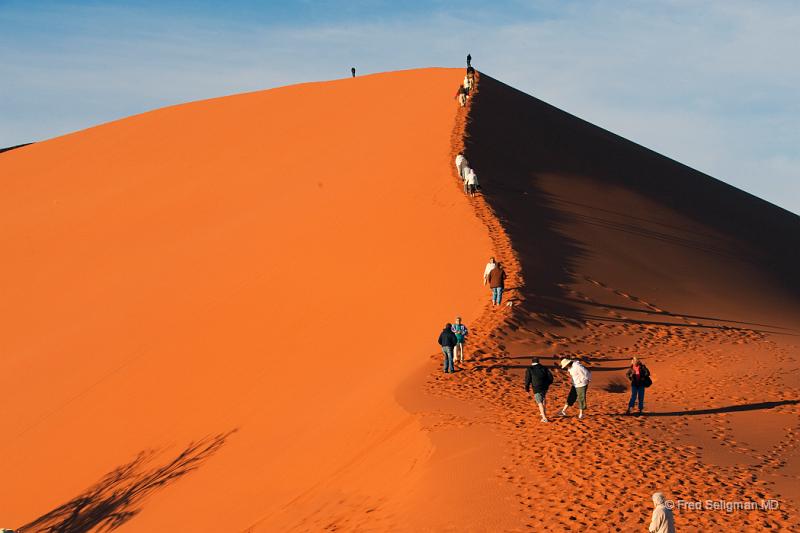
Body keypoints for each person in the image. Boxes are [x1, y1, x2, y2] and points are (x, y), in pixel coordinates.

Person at [524, 357, 554, 422]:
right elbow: (551, 377)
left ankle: (544, 417)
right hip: (545, 387)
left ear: (532, 362)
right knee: (543, 399)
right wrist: (548, 384)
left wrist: (527, 388)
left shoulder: (530, 369)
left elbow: (527, 379)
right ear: (538, 362)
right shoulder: (544, 368)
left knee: (539, 402)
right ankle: (543, 413)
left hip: (536, 387)